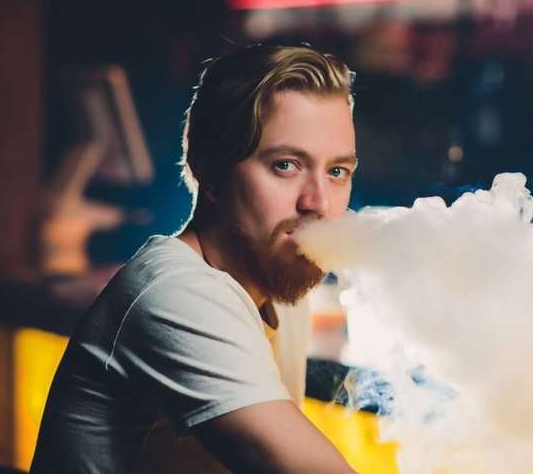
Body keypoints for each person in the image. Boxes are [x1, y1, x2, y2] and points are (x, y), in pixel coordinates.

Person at [31, 44, 359, 473]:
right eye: (286, 165)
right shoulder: (177, 294)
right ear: (209, 167)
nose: (318, 202)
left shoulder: (280, 286)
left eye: (337, 172)